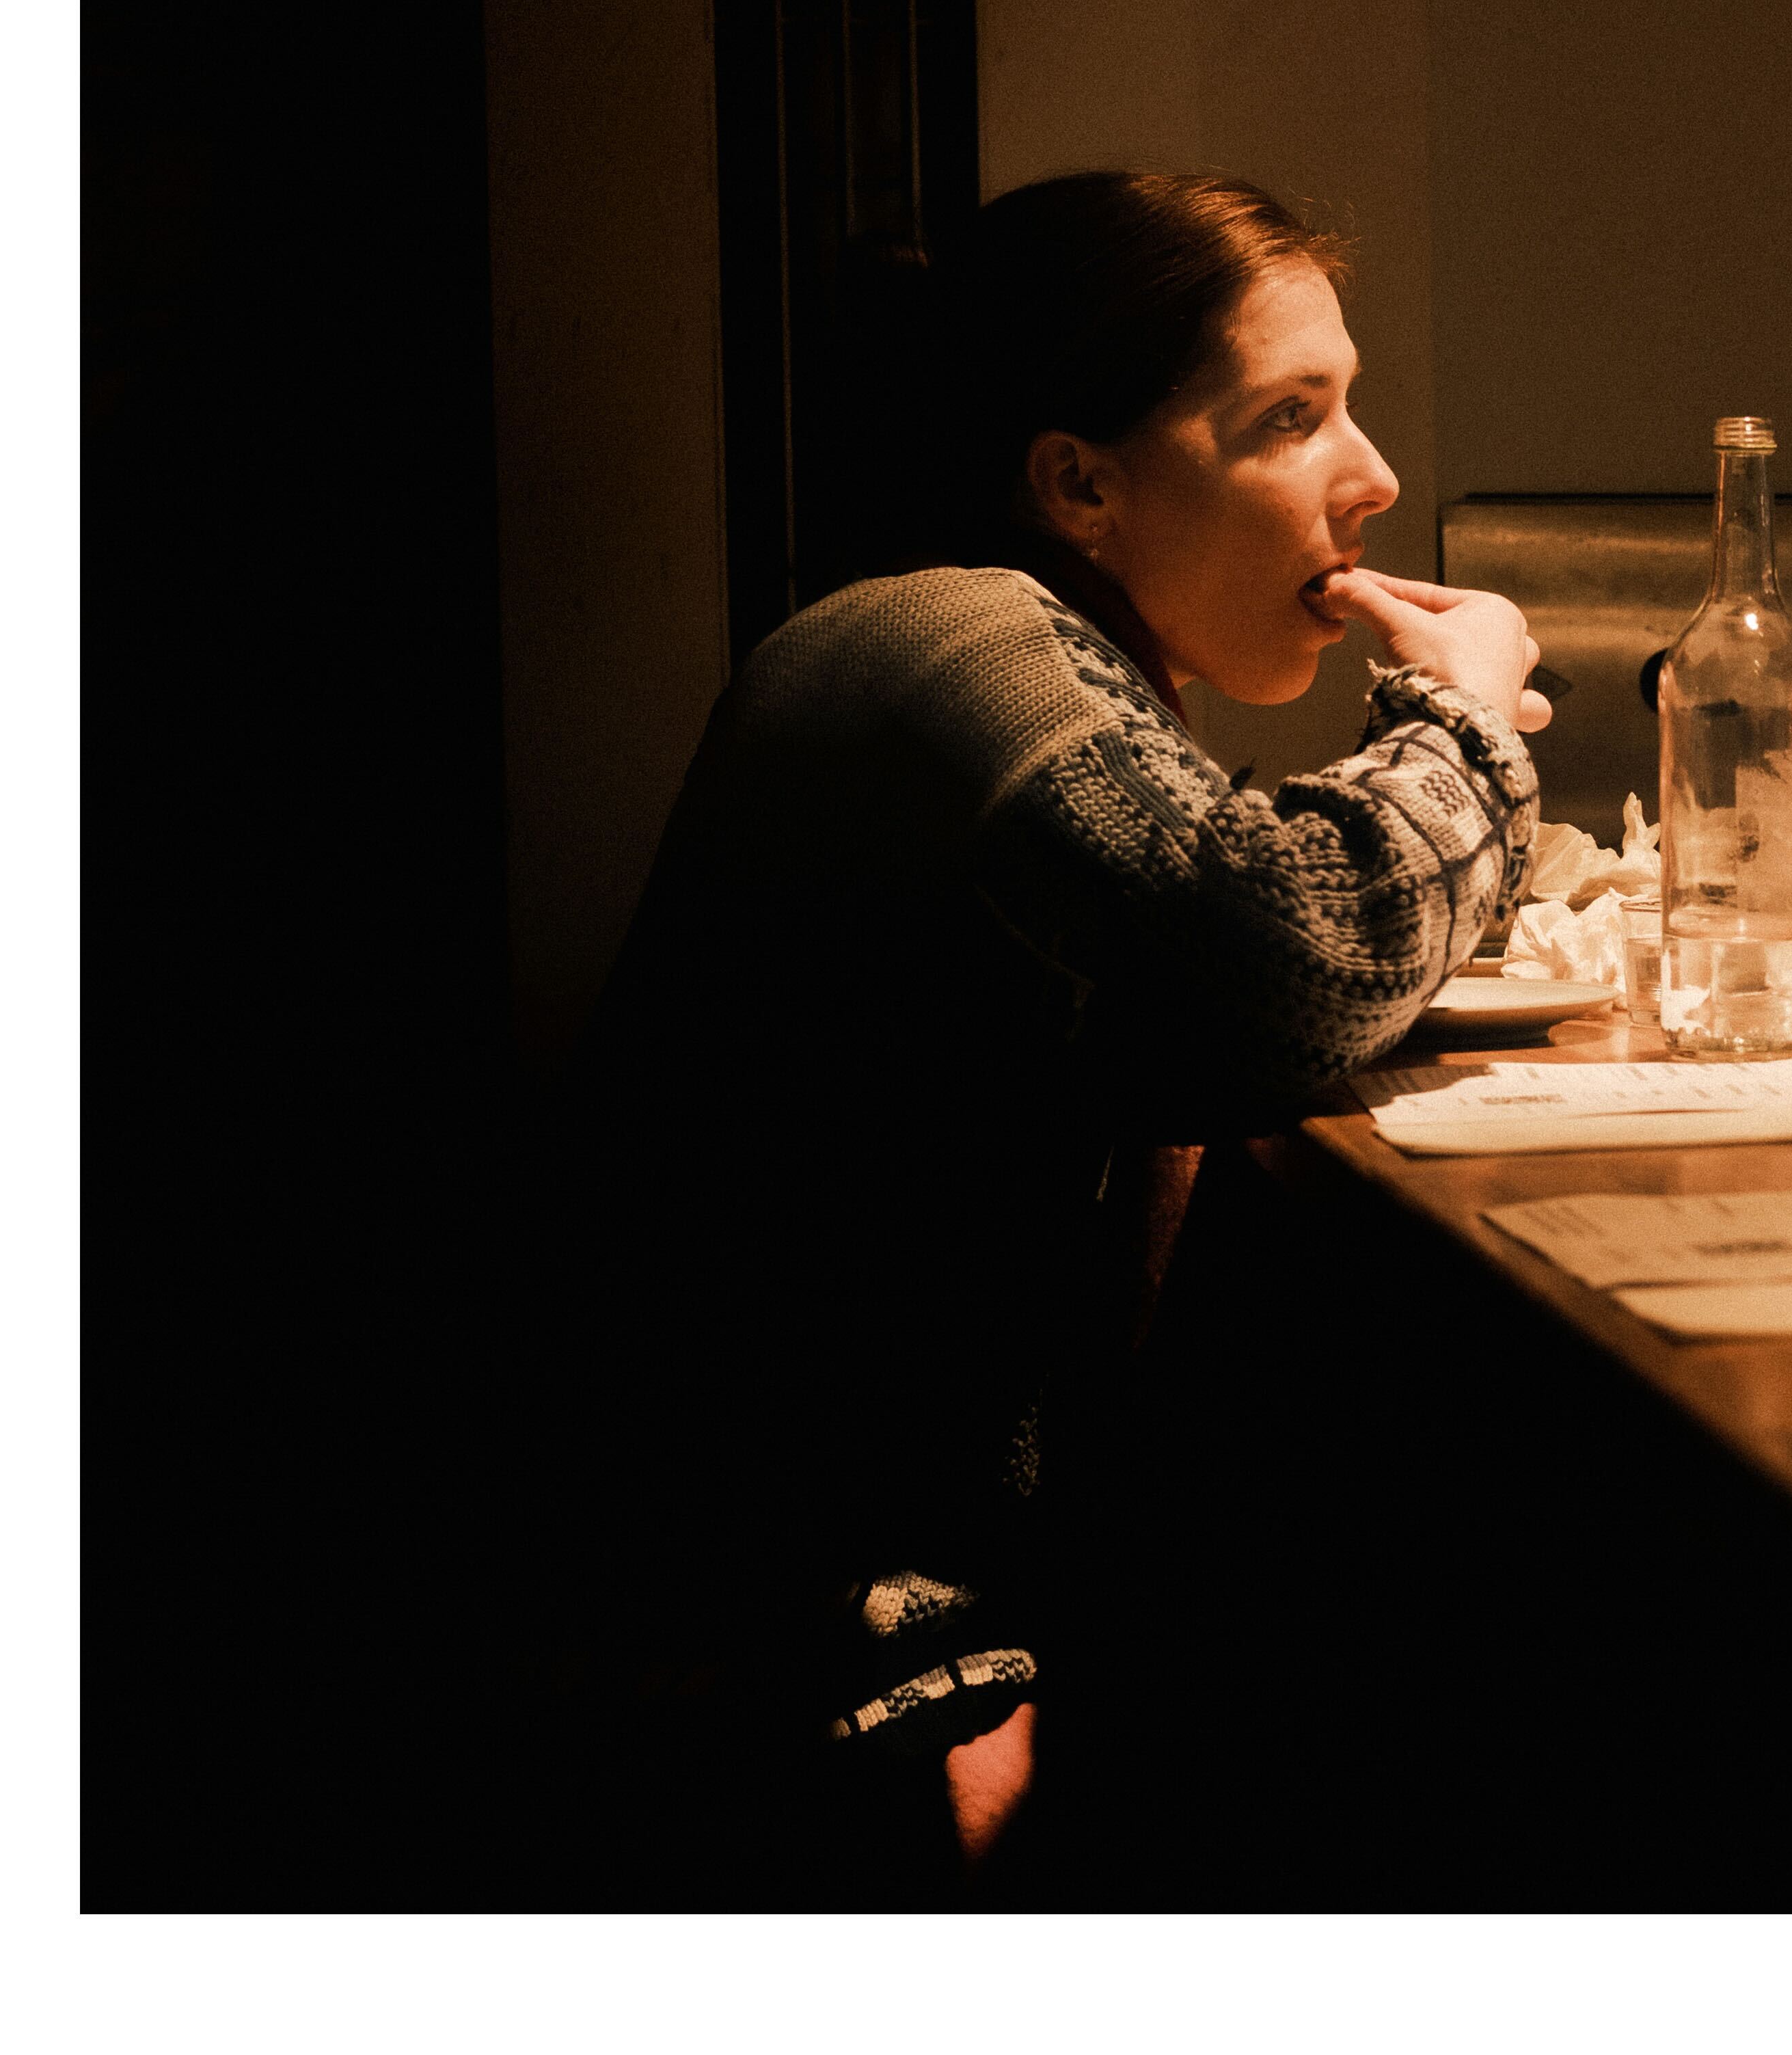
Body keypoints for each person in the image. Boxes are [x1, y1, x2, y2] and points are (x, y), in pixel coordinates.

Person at [557, 170, 1547, 1899]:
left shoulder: (1042, 666)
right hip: (781, 1654)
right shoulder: (955, 642)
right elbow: (1289, 948)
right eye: (1291, 416)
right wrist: (1458, 726)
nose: (1375, 473)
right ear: (1078, 480)